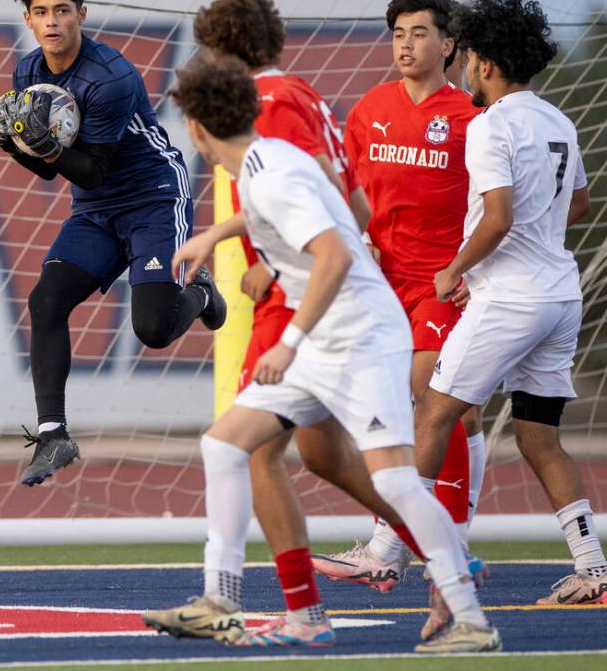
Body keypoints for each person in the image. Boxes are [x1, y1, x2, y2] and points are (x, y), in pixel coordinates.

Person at [142, 53, 500, 654]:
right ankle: (223, 602)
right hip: (323, 341)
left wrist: (287, 342)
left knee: (397, 483)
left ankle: (470, 618)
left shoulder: (269, 172)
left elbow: (334, 254)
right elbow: (323, 208)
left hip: (360, 338)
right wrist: (213, 234)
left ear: (199, 130)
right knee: (225, 444)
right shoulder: (267, 160)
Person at [191, 0, 419, 629]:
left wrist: (271, 261)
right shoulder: (302, 94)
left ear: (222, 51)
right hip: (316, 294)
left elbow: (312, 186)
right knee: (321, 457)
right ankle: (439, 549)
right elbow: (349, 198)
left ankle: (253, 603)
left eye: (209, 51)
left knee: (246, 450)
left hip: (301, 302)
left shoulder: (274, 103)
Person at [412, 0, 607, 606]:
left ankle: (391, 546)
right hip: (560, 294)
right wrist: (536, 234)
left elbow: (498, 217)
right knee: (538, 437)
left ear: (485, 62)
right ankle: (595, 569)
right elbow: (576, 203)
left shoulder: (489, 124)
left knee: (433, 411)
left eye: (469, 55)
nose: (466, 68)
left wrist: (454, 269)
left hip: (510, 298)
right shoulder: (558, 118)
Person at [0, 0, 226, 486]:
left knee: (153, 329)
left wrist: (35, 143)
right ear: (28, 19)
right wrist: (10, 143)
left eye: (63, 10)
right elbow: (52, 174)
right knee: (45, 301)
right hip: (96, 210)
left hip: (152, 197)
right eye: (41, 12)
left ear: (82, 13)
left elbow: (91, 169)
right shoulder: (27, 69)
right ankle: (54, 436)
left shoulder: (110, 76)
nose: (52, 22)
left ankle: (202, 294)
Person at [314, 0, 488, 596]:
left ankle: (414, 545)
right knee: (431, 413)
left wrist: (476, 272)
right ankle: (436, 541)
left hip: (444, 283)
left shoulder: (471, 119)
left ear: (449, 44)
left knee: (432, 400)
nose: (406, 45)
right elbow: (347, 193)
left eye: (418, 33)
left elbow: (498, 208)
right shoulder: (368, 110)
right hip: (383, 283)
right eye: (397, 34)